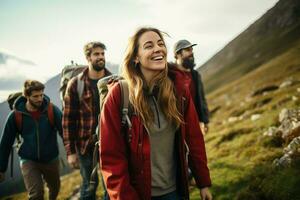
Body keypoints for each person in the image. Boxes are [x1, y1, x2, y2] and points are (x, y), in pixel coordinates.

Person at [100, 27, 212, 200]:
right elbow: (111, 158)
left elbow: (194, 138)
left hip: (174, 192)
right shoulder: (119, 95)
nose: (158, 48)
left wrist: (203, 182)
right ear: (136, 57)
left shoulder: (179, 90)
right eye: (149, 45)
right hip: (135, 194)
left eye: (161, 44)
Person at [63, 41, 111, 200]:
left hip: (109, 142)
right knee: (89, 186)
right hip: (84, 144)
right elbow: (68, 120)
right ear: (88, 57)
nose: (101, 57)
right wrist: (70, 152)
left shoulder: (113, 81)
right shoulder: (76, 84)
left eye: (102, 54)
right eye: (96, 54)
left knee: (110, 186)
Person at [0, 80, 63, 200]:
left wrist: (72, 153)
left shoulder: (51, 110)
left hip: (51, 158)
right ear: (27, 96)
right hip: (28, 160)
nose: (40, 99)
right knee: (36, 194)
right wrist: (1, 168)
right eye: (35, 96)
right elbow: (5, 143)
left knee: (55, 188)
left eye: (41, 95)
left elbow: (64, 131)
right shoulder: (15, 116)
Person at [174, 40, 210, 134]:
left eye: (191, 49)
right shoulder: (171, 76)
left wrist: (204, 120)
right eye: (187, 50)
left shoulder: (195, 75)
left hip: (195, 123)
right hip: (178, 127)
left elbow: (201, 99)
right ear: (178, 54)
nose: (191, 53)